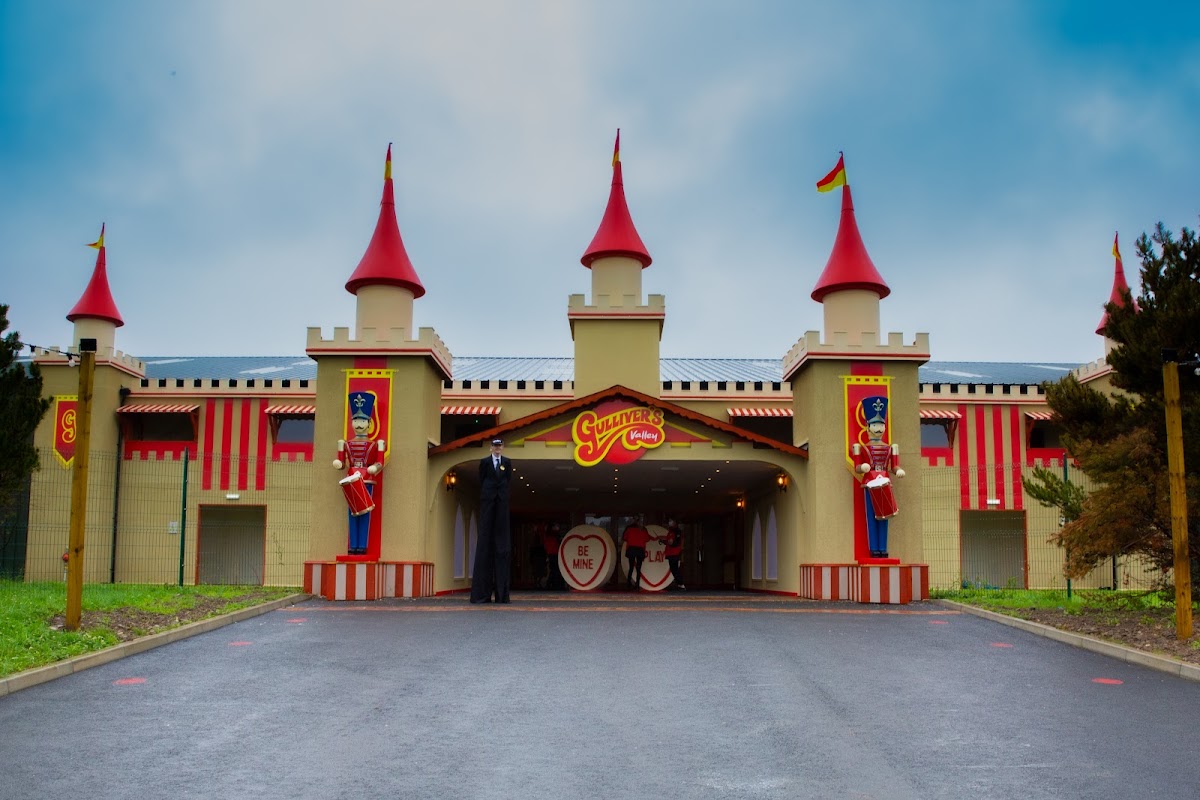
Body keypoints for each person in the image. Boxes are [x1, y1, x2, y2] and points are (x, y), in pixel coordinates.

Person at [850, 396, 905, 558]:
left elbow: (894, 466)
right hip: (869, 483)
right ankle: (874, 548)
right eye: (875, 425)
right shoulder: (861, 448)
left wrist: (898, 470)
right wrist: (863, 467)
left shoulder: (891, 447)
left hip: (885, 481)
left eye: (881, 425)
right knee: (872, 517)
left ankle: (883, 548)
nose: (878, 428)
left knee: (885, 515)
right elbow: (857, 467)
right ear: (868, 427)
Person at [332, 391, 385, 555]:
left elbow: (380, 462)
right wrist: (339, 464)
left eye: (362, 420)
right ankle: (353, 545)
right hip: (351, 478)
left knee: (365, 512)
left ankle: (362, 545)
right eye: (356, 420)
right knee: (352, 512)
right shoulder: (346, 443)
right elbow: (342, 462)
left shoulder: (375, 444)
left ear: (369, 423)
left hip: (367, 479)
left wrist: (374, 468)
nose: (359, 424)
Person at [471, 437, 513, 604]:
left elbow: (507, 479)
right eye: (495, 446)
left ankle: (502, 594)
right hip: (488, 500)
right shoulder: (485, 462)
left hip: (501, 501)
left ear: (502, 447)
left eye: (500, 445)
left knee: (502, 542)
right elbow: (482, 479)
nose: (497, 448)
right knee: (485, 541)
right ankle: (482, 593)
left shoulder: (507, 462)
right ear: (491, 447)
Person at [621, 515, 650, 590]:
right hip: (640, 549)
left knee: (631, 567)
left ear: (633, 519)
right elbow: (647, 539)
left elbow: (624, 538)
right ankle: (637, 585)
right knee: (638, 568)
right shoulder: (643, 529)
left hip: (631, 549)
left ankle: (628, 584)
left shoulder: (628, 528)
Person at [663, 518, 685, 590]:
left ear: (675, 523)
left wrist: (670, 543)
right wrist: (665, 542)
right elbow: (669, 542)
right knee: (673, 569)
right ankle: (679, 584)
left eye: (671, 521)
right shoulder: (671, 531)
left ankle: (681, 584)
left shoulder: (677, 531)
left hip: (674, 553)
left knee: (675, 569)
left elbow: (676, 542)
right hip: (671, 553)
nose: (669, 523)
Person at [542, 523, 563, 590]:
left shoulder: (547, 535)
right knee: (556, 570)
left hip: (551, 554)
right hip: (555, 554)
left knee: (553, 570)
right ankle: (553, 585)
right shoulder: (555, 535)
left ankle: (550, 585)